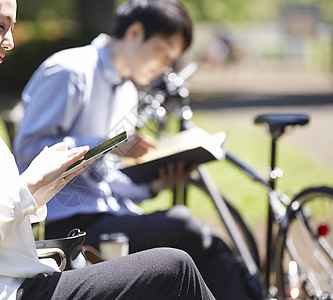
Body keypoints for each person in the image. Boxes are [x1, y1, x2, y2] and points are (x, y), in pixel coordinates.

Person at [0, 0, 216, 299]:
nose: (11, 41)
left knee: (173, 265)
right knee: (175, 268)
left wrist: (43, 186)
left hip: (17, 280)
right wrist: (29, 186)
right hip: (7, 291)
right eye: (1, 25)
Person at [13, 0, 256, 299]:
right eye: (163, 53)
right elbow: (27, 152)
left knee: (206, 244)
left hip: (108, 214)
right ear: (135, 33)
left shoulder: (128, 90)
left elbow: (104, 178)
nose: (166, 67)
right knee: (186, 226)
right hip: (67, 224)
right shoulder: (70, 71)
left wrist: (153, 185)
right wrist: (106, 145)